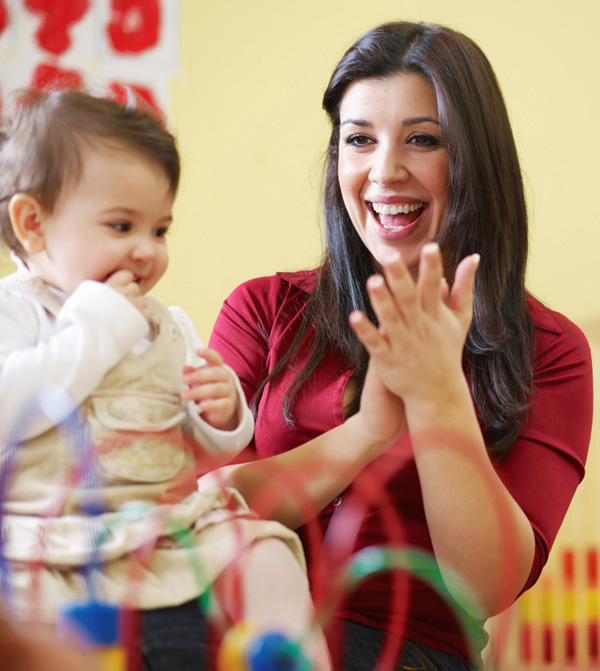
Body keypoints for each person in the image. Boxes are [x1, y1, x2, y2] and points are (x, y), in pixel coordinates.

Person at [206, 21, 594, 670]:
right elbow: (198, 519)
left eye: (422, 140)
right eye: (359, 140)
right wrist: (366, 432)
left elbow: (485, 587)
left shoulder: (550, 348)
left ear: (474, 158)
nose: (385, 171)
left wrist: (440, 392)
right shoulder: (265, 308)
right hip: (236, 635)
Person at [0, 89, 330, 670]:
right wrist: (94, 332)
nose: (146, 251)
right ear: (33, 224)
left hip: (165, 530)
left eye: (160, 230)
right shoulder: (18, 312)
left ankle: (282, 655)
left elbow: (192, 450)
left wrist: (222, 413)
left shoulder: (167, 325)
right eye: (122, 225)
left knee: (267, 549)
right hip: (50, 543)